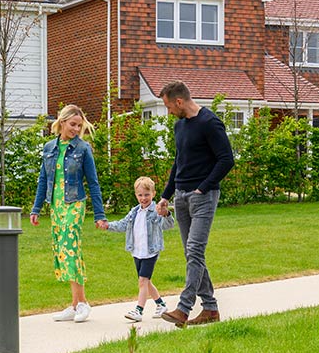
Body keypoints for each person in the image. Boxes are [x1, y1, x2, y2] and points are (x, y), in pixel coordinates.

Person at [155, 80, 235, 327]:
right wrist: (166, 195)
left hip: (203, 197)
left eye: (169, 106)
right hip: (181, 197)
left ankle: (183, 308)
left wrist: (204, 187)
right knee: (192, 254)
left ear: (179, 101)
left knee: (195, 251)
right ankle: (210, 309)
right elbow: (178, 163)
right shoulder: (180, 127)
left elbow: (226, 159)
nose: (168, 112)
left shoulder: (209, 123)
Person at [30, 104, 108, 323]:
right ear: (62, 122)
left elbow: (93, 183)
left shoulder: (83, 149)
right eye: (73, 124)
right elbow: (43, 180)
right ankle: (74, 305)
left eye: (79, 126)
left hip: (74, 204)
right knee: (62, 251)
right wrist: (36, 208)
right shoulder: (49, 148)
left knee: (70, 248)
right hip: (56, 206)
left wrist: (100, 214)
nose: (76, 129)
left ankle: (83, 303)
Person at [101, 175, 175, 321]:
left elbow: (168, 225)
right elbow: (123, 224)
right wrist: (107, 225)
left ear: (153, 194)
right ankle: (161, 304)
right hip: (137, 251)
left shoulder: (156, 210)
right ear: (136, 195)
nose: (143, 198)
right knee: (146, 281)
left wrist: (166, 214)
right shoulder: (134, 212)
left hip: (151, 251)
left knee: (142, 281)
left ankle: (139, 311)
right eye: (140, 195)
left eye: (147, 195)